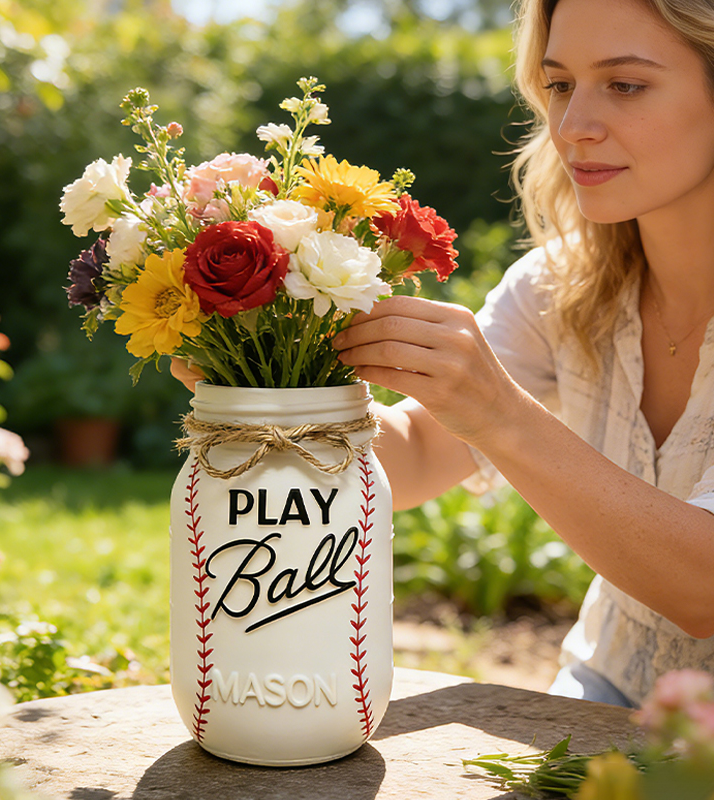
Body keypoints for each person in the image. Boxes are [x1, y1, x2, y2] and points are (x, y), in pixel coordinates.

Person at [174, 0, 714, 708]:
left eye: (626, 84)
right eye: (559, 84)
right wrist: (266, 386)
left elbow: (704, 590)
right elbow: (423, 452)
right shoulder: (561, 286)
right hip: (600, 696)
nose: (572, 125)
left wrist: (499, 413)